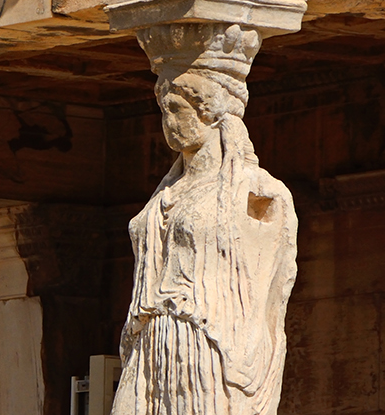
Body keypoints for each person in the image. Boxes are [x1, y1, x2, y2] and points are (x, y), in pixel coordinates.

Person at [112, 24, 298, 415]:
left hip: (207, 338)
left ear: (209, 112)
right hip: (150, 337)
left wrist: (251, 348)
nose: (168, 120)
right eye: (163, 109)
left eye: (176, 108)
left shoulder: (254, 191)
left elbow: (273, 280)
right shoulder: (164, 192)